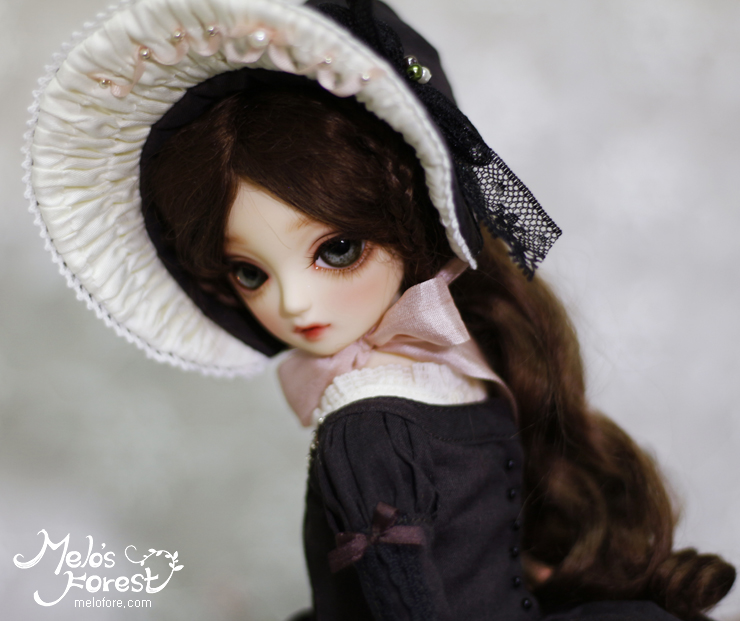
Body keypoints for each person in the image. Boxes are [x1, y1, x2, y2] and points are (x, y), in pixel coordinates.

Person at [26, 0, 735, 619]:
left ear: (415, 216)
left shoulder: (434, 379)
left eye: (337, 249)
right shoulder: (379, 416)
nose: (294, 302)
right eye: (250, 272)